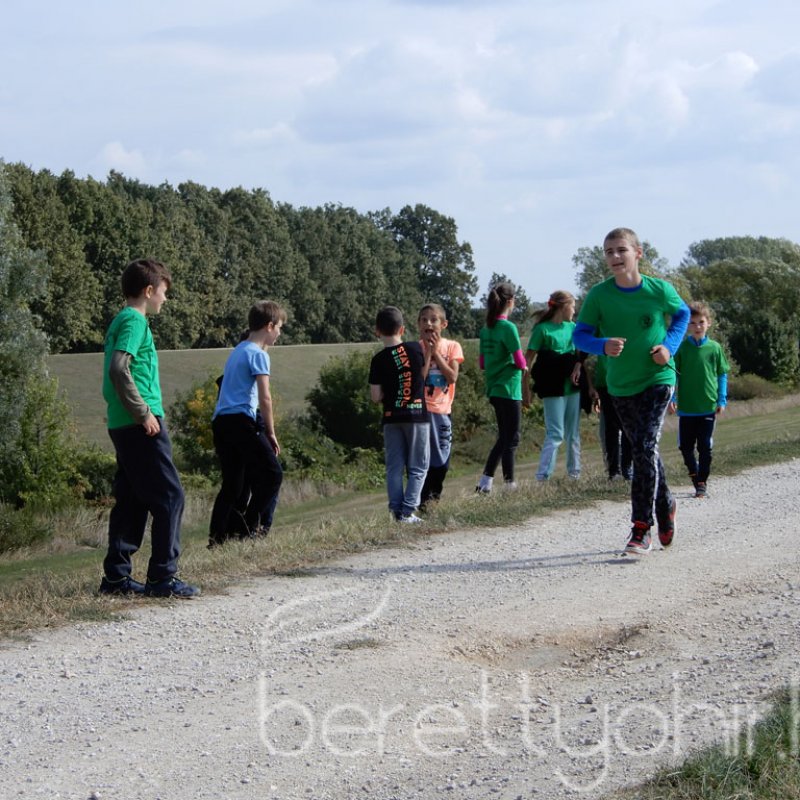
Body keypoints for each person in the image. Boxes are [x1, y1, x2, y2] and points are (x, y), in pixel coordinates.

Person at [574, 227, 689, 554]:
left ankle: (641, 528)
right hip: (621, 386)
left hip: (658, 379)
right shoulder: (599, 295)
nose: (614, 256)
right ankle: (665, 504)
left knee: (644, 446)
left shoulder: (659, 290)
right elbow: (579, 336)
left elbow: (682, 315)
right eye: (609, 251)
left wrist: (668, 347)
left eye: (621, 250)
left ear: (638, 253)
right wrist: (601, 345)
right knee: (642, 449)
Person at [99, 259, 199, 598]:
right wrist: (143, 413)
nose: (165, 299)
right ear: (148, 290)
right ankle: (162, 578)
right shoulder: (134, 320)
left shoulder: (121, 320)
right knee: (171, 496)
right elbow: (119, 369)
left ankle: (116, 579)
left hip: (122, 422)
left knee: (131, 500)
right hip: (140, 423)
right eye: (163, 292)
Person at [209, 301, 286, 548]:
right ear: (269, 326)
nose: (279, 334)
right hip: (242, 421)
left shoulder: (238, 350)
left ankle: (218, 538)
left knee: (233, 484)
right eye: (279, 328)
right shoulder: (258, 354)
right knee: (273, 474)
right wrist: (271, 433)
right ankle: (248, 528)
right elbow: (265, 397)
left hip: (221, 422)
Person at [369, 306, 430, 523]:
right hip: (416, 415)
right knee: (418, 466)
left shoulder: (377, 360)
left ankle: (396, 511)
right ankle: (408, 511)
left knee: (394, 467)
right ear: (402, 329)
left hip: (391, 417)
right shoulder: (415, 349)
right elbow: (422, 376)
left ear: (377, 331)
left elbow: (375, 396)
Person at [668, 301, 730, 499]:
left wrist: (721, 400)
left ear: (708, 323)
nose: (697, 326)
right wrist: (672, 397)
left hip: (708, 406)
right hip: (687, 408)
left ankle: (702, 482)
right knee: (685, 447)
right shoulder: (681, 348)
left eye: (701, 322)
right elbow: (673, 375)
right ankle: (695, 476)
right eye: (692, 323)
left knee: (705, 447)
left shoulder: (715, 348)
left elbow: (722, 374)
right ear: (687, 325)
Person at [525, 290, 584, 481]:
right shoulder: (542, 330)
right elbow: (527, 361)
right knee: (556, 433)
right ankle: (543, 477)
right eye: (572, 307)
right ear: (563, 307)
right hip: (552, 388)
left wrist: (578, 367)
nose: (574, 311)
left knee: (573, 433)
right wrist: (525, 389)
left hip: (572, 387)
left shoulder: (573, 327)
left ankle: (574, 474)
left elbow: (580, 355)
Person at [476, 282, 529, 493]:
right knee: (512, 437)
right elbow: (520, 360)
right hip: (509, 388)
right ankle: (509, 484)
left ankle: (485, 482)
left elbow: (482, 363)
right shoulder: (508, 328)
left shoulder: (485, 329)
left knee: (504, 436)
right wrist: (524, 368)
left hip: (494, 388)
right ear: (511, 302)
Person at [417, 303, 464, 508]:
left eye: (433, 320)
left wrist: (436, 353)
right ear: (418, 324)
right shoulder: (415, 348)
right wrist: (428, 353)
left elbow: (452, 377)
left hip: (442, 411)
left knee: (442, 461)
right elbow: (418, 380)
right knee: (421, 459)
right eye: (424, 320)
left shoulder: (452, 346)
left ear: (443, 324)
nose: (429, 323)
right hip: (420, 411)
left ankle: (433, 499)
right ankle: (421, 502)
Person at [593, 355, 633, 481]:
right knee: (611, 427)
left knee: (628, 425)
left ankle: (627, 467)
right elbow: (585, 354)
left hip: (626, 380)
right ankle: (614, 470)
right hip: (605, 382)